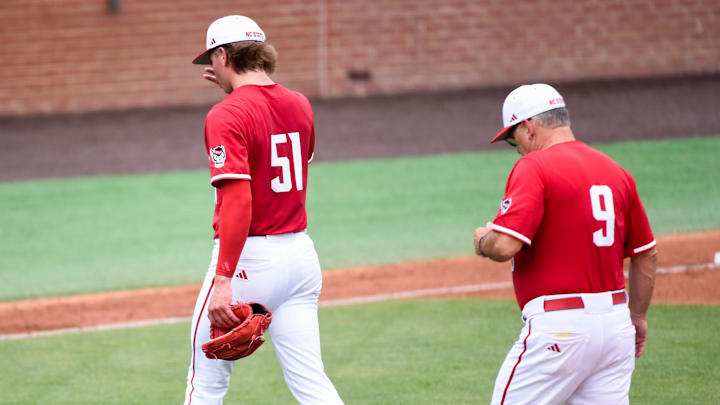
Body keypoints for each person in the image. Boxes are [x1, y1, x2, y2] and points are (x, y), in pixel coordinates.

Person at [184, 15, 344, 405]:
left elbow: (239, 199)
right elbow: (281, 154)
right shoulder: (299, 103)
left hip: (249, 263)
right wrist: (234, 91)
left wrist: (224, 280)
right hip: (301, 259)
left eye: (213, 59)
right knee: (311, 380)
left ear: (223, 55)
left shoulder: (225, 114)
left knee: (205, 384)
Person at [473, 83, 658, 405]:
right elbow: (646, 254)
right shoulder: (616, 172)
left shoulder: (535, 167)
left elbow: (504, 247)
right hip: (616, 330)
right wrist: (638, 317)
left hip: (560, 330)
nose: (514, 147)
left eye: (511, 137)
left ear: (529, 128)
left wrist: (482, 240)